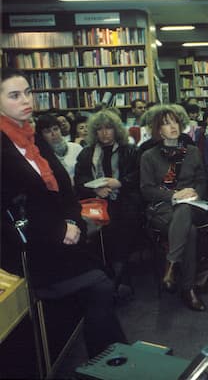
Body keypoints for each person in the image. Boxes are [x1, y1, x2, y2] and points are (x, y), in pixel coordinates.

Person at [0, 69, 126, 358]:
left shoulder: (32, 137)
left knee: (102, 286)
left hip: (63, 235)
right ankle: (112, 363)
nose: (25, 100)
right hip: (30, 247)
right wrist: (60, 229)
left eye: (28, 92)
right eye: (15, 95)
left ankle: (112, 363)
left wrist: (70, 220)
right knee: (100, 287)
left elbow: (66, 190)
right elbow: (10, 210)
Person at [140, 106, 208, 311]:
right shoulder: (148, 156)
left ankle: (170, 265)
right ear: (158, 130)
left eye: (175, 122)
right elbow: (146, 190)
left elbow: (202, 181)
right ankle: (188, 289)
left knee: (186, 210)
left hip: (192, 204)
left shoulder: (193, 151)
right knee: (190, 231)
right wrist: (173, 195)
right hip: (162, 208)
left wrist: (195, 193)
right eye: (166, 123)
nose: (172, 127)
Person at [74, 109, 142, 299]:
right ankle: (114, 275)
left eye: (109, 129)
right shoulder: (86, 154)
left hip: (125, 198)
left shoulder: (130, 150)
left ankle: (118, 277)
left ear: (116, 130)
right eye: (100, 129)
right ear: (94, 132)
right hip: (96, 201)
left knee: (119, 222)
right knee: (98, 224)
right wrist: (94, 189)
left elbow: (139, 176)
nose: (104, 133)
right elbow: (79, 180)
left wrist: (119, 183)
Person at [35, 113, 83, 184]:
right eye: (48, 131)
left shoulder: (76, 148)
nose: (54, 134)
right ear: (41, 136)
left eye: (56, 129)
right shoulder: (41, 157)